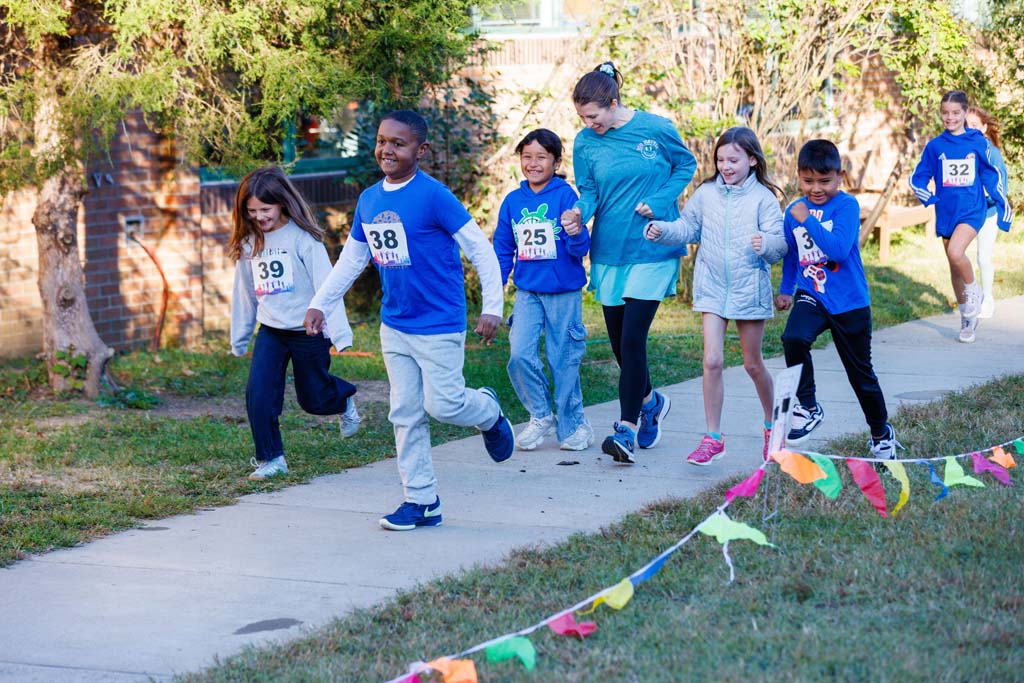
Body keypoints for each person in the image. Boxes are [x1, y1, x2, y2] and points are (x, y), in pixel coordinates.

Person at [304, 110, 515, 531]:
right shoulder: (370, 199)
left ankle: (488, 411)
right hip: (395, 325)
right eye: (382, 140)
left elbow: (479, 249)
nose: (387, 149)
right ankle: (421, 501)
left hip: (439, 323)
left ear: (421, 150)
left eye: (398, 144)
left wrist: (493, 306)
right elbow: (353, 260)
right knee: (405, 412)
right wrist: (320, 303)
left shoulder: (434, 196)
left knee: (445, 404)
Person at [561, 61, 697, 465]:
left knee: (634, 339)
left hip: (652, 247)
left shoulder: (656, 128)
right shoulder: (585, 143)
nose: (588, 124)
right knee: (622, 346)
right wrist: (577, 214)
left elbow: (685, 165)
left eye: (594, 116)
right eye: (582, 117)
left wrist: (658, 202)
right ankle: (651, 402)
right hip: (609, 250)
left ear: (613, 103)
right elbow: (587, 191)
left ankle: (626, 429)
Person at [644, 127, 787, 465]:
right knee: (712, 361)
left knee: (753, 364)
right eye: (721, 159)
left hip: (748, 287)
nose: (726, 166)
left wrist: (765, 245)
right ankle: (713, 437)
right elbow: (687, 228)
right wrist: (662, 231)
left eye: (733, 160)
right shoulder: (707, 193)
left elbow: (779, 244)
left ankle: (773, 426)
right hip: (712, 288)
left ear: (752, 160)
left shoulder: (763, 199)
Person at [229, 166, 359, 481]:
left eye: (265, 209)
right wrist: (240, 337)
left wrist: (339, 334)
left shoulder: (303, 240)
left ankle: (343, 398)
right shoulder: (250, 243)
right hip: (272, 331)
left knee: (313, 398)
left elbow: (328, 287)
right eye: (252, 211)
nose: (259, 216)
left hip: (308, 331)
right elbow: (245, 292)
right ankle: (271, 459)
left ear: (282, 203)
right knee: (258, 394)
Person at [776, 140, 899, 462]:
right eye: (808, 181)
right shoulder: (794, 212)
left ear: (839, 176)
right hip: (812, 293)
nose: (816, 188)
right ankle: (809, 406)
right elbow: (793, 254)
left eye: (824, 181)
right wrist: (787, 289)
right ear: (799, 177)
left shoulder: (846, 207)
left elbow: (839, 250)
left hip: (849, 302)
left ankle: (881, 434)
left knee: (861, 375)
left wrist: (808, 220)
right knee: (793, 337)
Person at [493, 129, 594, 452]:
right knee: (520, 353)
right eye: (527, 157)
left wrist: (576, 231)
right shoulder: (513, 201)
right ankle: (540, 415)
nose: (533, 164)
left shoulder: (566, 195)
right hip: (527, 292)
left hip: (563, 291)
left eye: (541, 157)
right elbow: (503, 246)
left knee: (561, 358)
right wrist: (496, 285)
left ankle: (574, 426)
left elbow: (581, 249)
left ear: (556, 161)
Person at [910, 90, 1011, 343]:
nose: (950, 117)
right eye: (945, 113)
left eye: (956, 113)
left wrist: (1001, 204)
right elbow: (919, 176)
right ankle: (967, 318)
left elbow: (992, 174)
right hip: (946, 212)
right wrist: (928, 195)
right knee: (954, 265)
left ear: (965, 113)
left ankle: (974, 291)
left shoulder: (977, 142)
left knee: (957, 253)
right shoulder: (935, 146)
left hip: (971, 210)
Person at [965, 106, 1011, 320]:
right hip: (965, 213)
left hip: (988, 213)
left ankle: (988, 299)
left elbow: (1001, 184)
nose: (969, 129)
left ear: (984, 128)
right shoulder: (960, 149)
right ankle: (970, 296)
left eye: (974, 125)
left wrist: (988, 196)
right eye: (967, 125)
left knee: (983, 257)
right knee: (958, 256)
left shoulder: (992, 153)